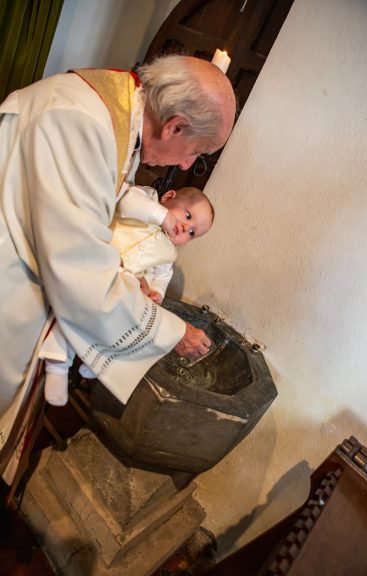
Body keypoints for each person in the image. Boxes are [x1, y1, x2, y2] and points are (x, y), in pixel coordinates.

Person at [0, 54, 236, 480]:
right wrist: (170, 329)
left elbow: (94, 223)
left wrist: (132, 282)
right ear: (176, 126)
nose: (185, 166)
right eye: (195, 152)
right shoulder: (83, 125)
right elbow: (81, 273)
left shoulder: (114, 122)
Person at [41, 185, 214, 405]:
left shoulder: (167, 253)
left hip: (123, 282)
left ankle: (100, 361)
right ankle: (57, 364)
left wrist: (156, 292)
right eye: (187, 216)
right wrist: (162, 216)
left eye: (192, 233)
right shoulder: (145, 201)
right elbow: (125, 201)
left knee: (121, 320)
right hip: (98, 261)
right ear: (169, 197)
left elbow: (162, 275)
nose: (185, 227)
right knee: (75, 310)